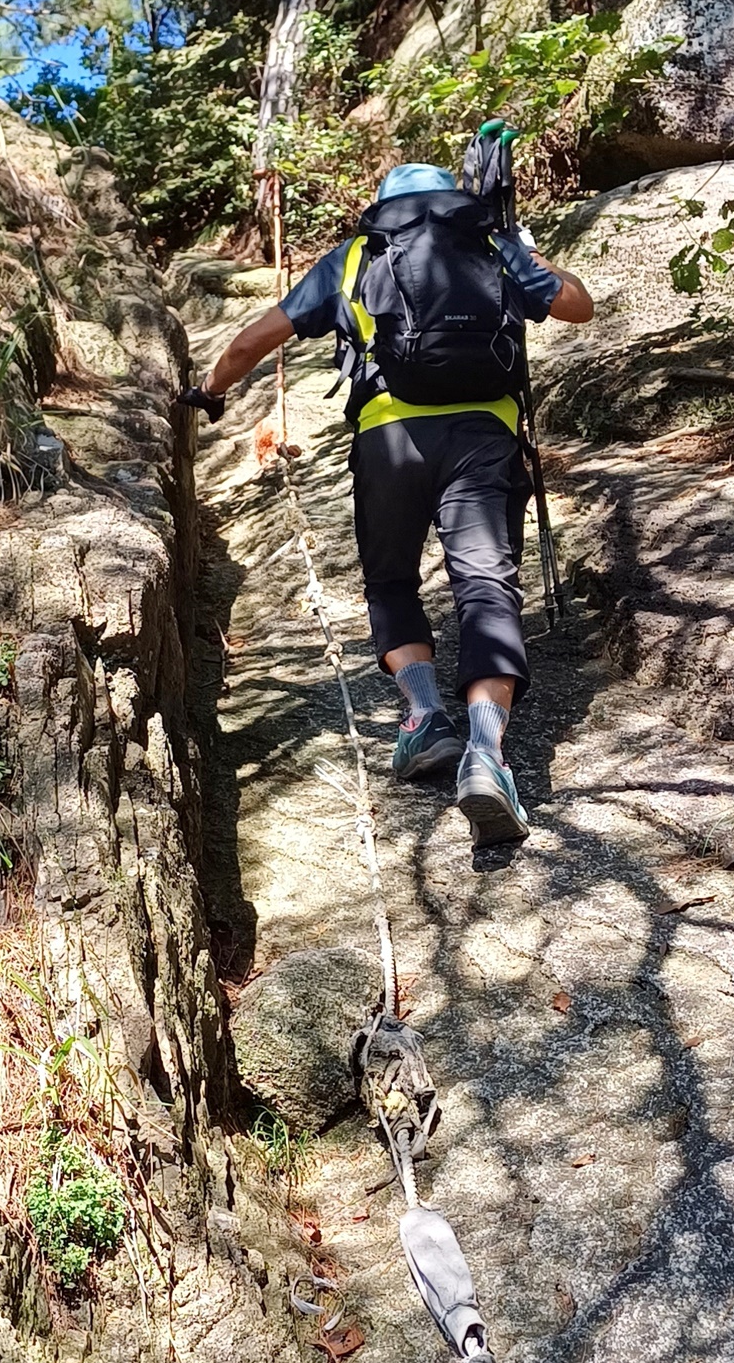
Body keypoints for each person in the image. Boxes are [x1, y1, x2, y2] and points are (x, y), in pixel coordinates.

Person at [181, 160, 594, 849]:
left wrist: (211, 391)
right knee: (486, 584)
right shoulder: (491, 243)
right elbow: (579, 306)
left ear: (384, 208)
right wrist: (533, 252)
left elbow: (254, 339)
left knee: (392, 579)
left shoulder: (356, 256)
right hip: (484, 434)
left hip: (388, 437)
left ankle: (426, 717)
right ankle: (486, 754)